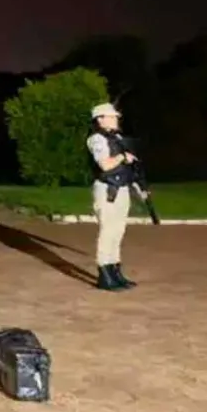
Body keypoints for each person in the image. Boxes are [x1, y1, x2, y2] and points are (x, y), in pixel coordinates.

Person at [86, 102, 146, 291]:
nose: (116, 119)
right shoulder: (96, 139)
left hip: (122, 189)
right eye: (111, 116)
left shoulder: (117, 138)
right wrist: (122, 158)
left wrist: (139, 186)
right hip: (107, 189)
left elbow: (130, 168)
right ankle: (105, 274)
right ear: (100, 119)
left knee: (118, 231)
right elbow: (105, 165)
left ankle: (115, 271)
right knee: (108, 231)